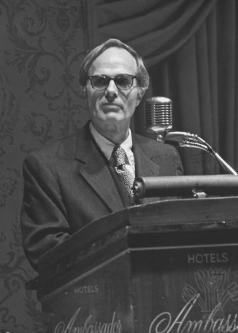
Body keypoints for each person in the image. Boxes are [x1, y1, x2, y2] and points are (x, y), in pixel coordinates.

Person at [21, 38, 183, 270]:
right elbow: (47, 252)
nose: (110, 91)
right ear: (84, 89)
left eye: (123, 81)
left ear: (139, 94)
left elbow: (182, 231)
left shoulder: (167, 157)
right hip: (94, 301)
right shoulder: (46, 166)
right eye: (99, 81)